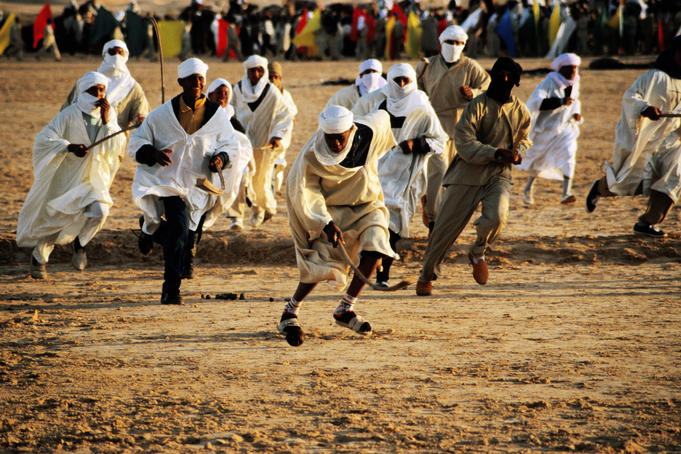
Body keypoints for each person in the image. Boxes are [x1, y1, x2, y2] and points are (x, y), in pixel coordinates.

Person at [278, 105, 398, 346]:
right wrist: (325, 222)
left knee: (377, 246)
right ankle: (290, 312)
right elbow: (306, 190)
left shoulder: (369, 131)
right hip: (332, 212)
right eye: (329, 138)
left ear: (351, 130)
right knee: (321, 261)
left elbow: (383, 116)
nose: (334, 144)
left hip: (367, 205)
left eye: (339, 139)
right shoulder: (312, 152)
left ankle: (345, 308)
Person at [129, 58, 242, 304]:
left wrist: (221, 158)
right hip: (168, 182)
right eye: (192, 79)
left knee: (185, 236)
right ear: (181, 82)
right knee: (180, 229)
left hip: (198, 186)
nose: (197, 83)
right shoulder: (161, 115)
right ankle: (171, 289)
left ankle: (152, 231)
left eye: (201, 79)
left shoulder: (217, 116)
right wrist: (152, 153)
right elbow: (137, 142)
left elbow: (230, 145)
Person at [415, 57, 532, 296]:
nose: (504, 80)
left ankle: (478, 252)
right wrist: (495, 152)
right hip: (466, 174)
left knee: (498, 216)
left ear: (515, 82)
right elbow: (465, 143)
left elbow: (524, 139)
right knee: (443, 232)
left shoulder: (521, 110)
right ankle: (427, 276)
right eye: (499, 74)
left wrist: (518, 153)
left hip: (498, 176)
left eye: (509, 77)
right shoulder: (476, 106)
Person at [17, 72, 125, 279]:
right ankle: (39, 258)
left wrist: (106, 121)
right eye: (94, 90)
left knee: (101, 211)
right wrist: (68, 147)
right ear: (83, 92)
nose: (99, 95)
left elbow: (116, 147)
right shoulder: (68, 115)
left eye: (102, 90)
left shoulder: (109, 116)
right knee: (56, 219)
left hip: (94, 177)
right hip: (67, 178)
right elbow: (44, 138)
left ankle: (81, 243)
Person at [352, 63, 447, 287]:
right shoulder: (373, 102)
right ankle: (378, 273)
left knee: (394, 225)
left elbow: (439, 140)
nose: (402, 85)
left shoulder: (422, 105)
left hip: (409, 175)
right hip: (377, 170)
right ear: (390, 80)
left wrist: (416, 144)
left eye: (406, 80)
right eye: (398, 80)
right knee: (378, 219)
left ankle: (382, 272)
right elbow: (354, 126)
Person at [585, 36, 681, 238]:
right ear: (675, 53)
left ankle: (648, 222)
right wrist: (645, 108)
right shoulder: (654, 77)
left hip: (672, 144)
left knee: (674, 177)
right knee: (632, 182)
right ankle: (600, 187)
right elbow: (630, 96)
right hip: (648, 141)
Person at [416, 25, 490, 230]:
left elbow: (488, 87)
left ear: (464, 45)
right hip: (433, 126)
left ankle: (443, 215)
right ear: (441, 42)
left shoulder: (470, 66)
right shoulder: (426, 65)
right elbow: (416, 91)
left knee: (455, 177)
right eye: (450, 42)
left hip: (461, 128)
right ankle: (433, 220)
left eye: (458, 43)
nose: (454, 46)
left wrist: (473, 93)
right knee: (437, 172)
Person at [230, 54, 294, 227]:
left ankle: (259, 212)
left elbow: (285, 115)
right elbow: (231, 111)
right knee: (239, 178)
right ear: (247, 71)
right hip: (241, 143)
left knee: (260, 181)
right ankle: (236, 217)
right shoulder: (238, 89)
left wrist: (277, 135)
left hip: (262, 145)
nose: (256, 74)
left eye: (259, 70)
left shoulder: (271, 91)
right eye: (252, 70)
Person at [519, 53, 583, 205]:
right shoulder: (549, 82)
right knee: (538, 161)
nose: (573, 71)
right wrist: (559, 101)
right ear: (561, 68)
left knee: (569, 155)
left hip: (565, 128)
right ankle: (528, 189)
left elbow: (575, 102)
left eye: (575, 68)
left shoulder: (575, 82)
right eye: (570, 68)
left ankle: (566, 193)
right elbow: (537, 102)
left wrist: (576, 114)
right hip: (545, 130)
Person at [62, 39, 149, 130]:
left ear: (125, 56)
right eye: (112, 52)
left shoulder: (133, 88)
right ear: (105, 55)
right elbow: (67, 109)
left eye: (120, 53)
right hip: (85, 136)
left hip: (116, 138)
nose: (116, 56)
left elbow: (141, 114)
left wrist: (140, 120)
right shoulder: (88, 81)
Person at [206, 78, 254, 235]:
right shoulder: (202, 115)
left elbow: (243, 145)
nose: (222, 97)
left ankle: (236, 217)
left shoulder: (233, 121)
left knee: (241, 174)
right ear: (210, 94)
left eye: (226, 94)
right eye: (218, 93)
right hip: (204, 161)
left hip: (227, 163)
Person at [268, 61, 297, 194]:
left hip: (282, 139)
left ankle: (272, 192)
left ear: (280, 78)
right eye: (270, 77)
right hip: (266, 137)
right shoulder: (263, 95)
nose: (273, 80)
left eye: (276, 77)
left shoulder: (286, 95)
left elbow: (292, 115)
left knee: (277, 166)